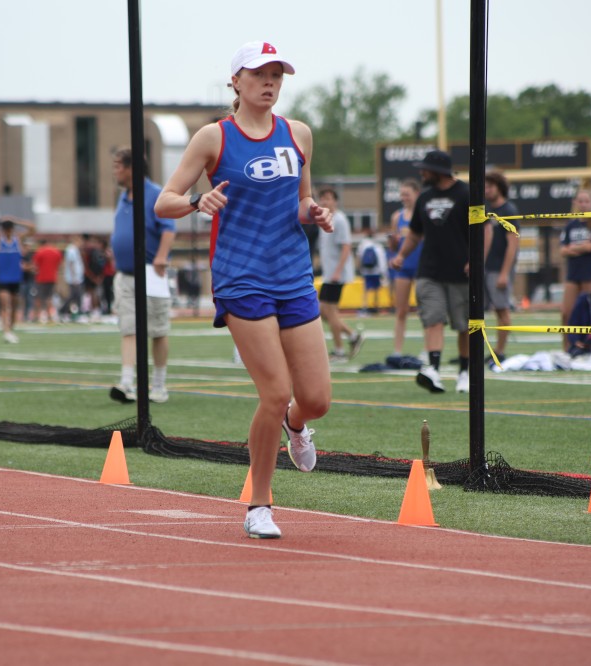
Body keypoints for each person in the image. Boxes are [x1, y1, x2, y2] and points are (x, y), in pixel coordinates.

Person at [153, 40, 334, 539]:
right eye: (259, 74)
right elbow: (164, 202)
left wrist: (315, 213)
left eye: (277, 74)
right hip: (241, 276)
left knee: (316, 399)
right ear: (236, 81)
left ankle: (297, 426)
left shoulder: (298, 133)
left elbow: (301, 200)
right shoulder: (214, 137)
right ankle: (259, 504)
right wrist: (198, 202)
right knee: (274, 393)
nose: (269, 82)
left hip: (292, 273)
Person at [391, 150, 478, 394]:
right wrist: (401, 255)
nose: (421, 173)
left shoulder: (466, 193)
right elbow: (415, 233)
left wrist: (475, 259)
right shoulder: (425, 198)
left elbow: (484, 229)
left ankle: (464, 372)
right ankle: (434, 370)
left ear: (438, 171)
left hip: (461, 272)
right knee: (433, 319)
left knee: (464, 325)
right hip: (429, 271)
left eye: (425, 169)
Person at [108, 147, 176, 404]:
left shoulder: (155, 194)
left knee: (157, 329)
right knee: (128, 327)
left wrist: (161, 256)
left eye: (118, 166)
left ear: (131, 168)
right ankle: (127, 383)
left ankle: (158, 384)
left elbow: (168, 228)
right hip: (125, 274)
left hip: (151, 273)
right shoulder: (123, 196)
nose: (115, 171)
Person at [317, 187, 364, 361]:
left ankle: (339, 350)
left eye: (328, 198)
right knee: (323, 311)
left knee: (330, 312)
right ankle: (352, 336)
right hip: (329, 273)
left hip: (336, 275)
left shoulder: (340, 219)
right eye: (322, 198)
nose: (325, 201)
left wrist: (337, 271)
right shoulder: (324, 218)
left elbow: (346, 247)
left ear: (335, 201)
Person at [558, 189, 591, 351]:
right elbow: (563, 250)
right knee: (566, 313)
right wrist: (579, 248)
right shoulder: (570, 225)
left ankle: (588, 345)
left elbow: (590, 247)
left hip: (590, 273)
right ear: (575, 203)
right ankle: (567, 347)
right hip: (573, 274)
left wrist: (573, 248)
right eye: (580, 201)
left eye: (586, 201)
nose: (583, 204)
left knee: (588, 312)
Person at [483, 170, 520, 366]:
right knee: (489, 311)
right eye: (485, 187)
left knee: (502, 309)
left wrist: (505, 273)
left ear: (500, 187)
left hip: (499, 268)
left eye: (490, 186)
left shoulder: (508, 210)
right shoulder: (487, 210)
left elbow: (513, 244)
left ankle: (500, 351)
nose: (487, 190)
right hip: (486, 266)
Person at [387, 178, 422, 361]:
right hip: (404, 267)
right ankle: (397, 350)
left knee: (425, 311)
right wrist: (392, 242)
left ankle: (428, 350)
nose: (404, 198)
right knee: (401, 311)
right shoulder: (397, 217)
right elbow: (394, 247)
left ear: (416, 194)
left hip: (422, 266)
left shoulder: (423, 214)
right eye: (402, 194)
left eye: (407, 194)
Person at [0, 216, 35, 343]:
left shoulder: (18, 239)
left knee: (14, 306)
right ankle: (6, 331)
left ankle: (10, 329)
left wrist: (16, 221)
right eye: (5, 229)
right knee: (4, 305)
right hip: (2, 279)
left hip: (15, 278)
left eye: (9, 228)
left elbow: (32, 228)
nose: (7, 231)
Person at [355, 227, 387, 316]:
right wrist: (383, 272)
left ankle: (365, 306)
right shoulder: (378, 245)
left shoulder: (362, 244)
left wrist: (358, 269)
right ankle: (376, 307)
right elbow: (381, 260)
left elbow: (359, 257)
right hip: (376, 271)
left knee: (366, 290)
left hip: (366, 271)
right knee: (376, 289)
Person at [30, 238, 62, 323]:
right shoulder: (56, 252)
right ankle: (50, 316)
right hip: (52, 278)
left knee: (38, 298)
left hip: (41, 278)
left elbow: (35, 266)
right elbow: (59, 264)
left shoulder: (40, 252)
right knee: (49, 298)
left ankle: (36, 316)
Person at [58, 235, 85, 322]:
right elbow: (71, 264)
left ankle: (68, 312)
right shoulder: (71, 250)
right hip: (74, 278)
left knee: (74, 296)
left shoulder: (75, 250)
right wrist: (74, 278)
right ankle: (64, 311)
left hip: (77, 277)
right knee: (75, 296)